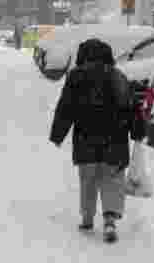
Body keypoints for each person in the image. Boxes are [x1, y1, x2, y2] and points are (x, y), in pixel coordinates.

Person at [49, 37, 146, 243]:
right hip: (116, 140)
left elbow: (66, 107)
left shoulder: (76, 77)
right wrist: (137, 131)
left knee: (88, 180)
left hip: (86, 140)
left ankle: (87, 218)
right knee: (112, 180)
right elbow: (131, 107)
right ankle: (110, 220)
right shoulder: (118, 76)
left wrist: (58, 134)